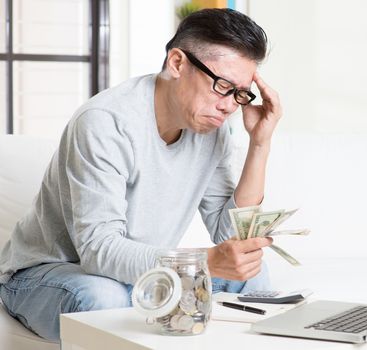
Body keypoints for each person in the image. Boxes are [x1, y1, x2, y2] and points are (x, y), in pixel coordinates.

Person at [0, 8, 281, 341]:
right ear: (177, 63)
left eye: (239, 94)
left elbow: (227, 233)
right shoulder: (105, 122)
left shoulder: (212, 129)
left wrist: (259, 143)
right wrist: (204, 262)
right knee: (104, 298)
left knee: (253, 276)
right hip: (51, 274)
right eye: (222, 86)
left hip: (143, 274)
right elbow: (99, 251)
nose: (230, 106)